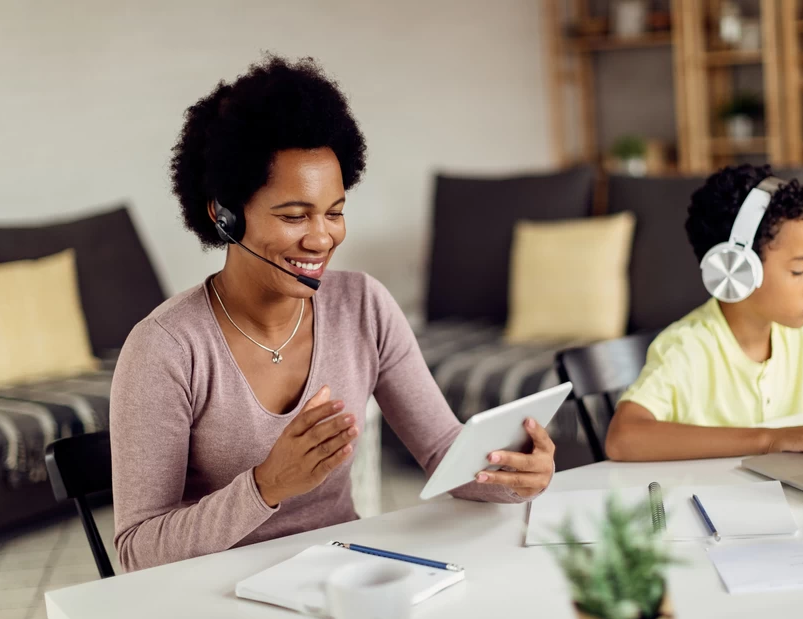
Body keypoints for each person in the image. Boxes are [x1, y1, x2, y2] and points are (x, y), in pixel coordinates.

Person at [110, 56, 556, 572]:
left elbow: (442, 452)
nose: (322, 238)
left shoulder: (362, 305)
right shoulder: (165, 348)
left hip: (341, 575)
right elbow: (137, 551)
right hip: (213, 596)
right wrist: (265, 487)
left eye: (335, 211)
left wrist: (516, 474)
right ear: (224, 215)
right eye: (294, 215)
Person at [605, 164, 803, 462]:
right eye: (799, 270)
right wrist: (772, 439)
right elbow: (623, 438)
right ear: (737, 269)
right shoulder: (686, 349)